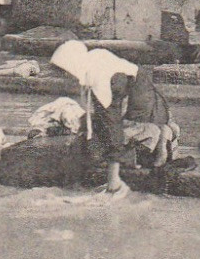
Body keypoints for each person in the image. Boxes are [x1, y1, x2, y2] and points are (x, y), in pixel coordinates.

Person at [51, 41, 190, 194]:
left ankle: (163, 135)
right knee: (116, 132)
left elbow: (112, 123)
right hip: (140, 89)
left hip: (139, 97)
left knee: (126, 137)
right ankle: (164, 132)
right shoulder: (93, 59)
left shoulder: (100, 79)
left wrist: (113, 177)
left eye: (66, 70)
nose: (65, 76)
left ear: (74, 64)